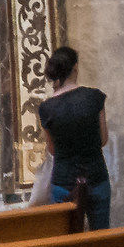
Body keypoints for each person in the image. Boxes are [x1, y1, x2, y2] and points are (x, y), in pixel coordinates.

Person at [36, 46, 110, 228]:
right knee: (100, 238)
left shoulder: (46, 108)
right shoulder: (95, 97)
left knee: (65, 240)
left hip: (64, 180)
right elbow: (103, 139)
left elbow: (52, 150)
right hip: (96, 176)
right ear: (75, 68)